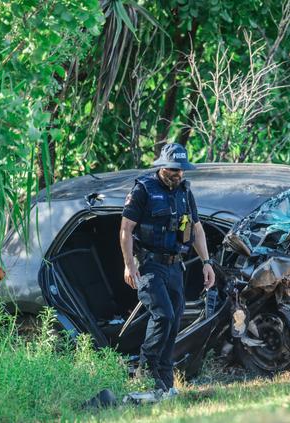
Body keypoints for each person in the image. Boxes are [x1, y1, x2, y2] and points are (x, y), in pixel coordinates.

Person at [119, 143, 216, 393]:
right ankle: (146, 373)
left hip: (175, 266)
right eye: (174, 169)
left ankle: (165, 382)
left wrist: (207, 263)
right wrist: (129, 266)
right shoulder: (144, 190)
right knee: (163, 316)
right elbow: (126, 229)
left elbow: (196, 229)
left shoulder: (185, 191)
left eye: (182, 169)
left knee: (174, 323)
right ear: (162, 166)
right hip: (149, 265)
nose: (179, 173)